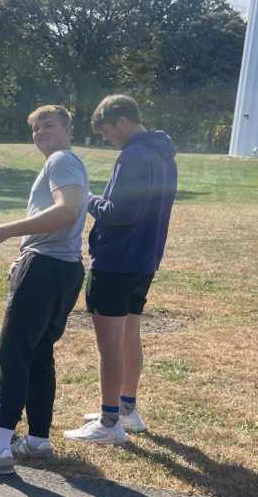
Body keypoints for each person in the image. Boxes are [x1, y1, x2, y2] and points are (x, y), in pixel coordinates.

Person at [0, 105, 89, 474]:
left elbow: (69, 210)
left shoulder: (61, 160)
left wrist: (6, 230)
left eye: (49, 125)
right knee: (39, 353)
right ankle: (38, 440)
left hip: (46, 268)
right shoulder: (65, 161)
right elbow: (62, 218)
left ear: (67, 129)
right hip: (62, 267)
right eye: (35, 127)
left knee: (13, 354)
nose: (40, 132)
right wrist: (23, 249)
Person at [63, 94, 178, 445]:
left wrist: (87, 198)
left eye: (107, 131)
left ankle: (109, 420)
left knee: (109, 344)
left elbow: (120, 211)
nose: (106, 138)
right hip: (144, 261)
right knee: (129, 334)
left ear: (123, 122)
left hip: (116, 261)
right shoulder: (163, 155)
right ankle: (127, 410)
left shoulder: (133, 156)